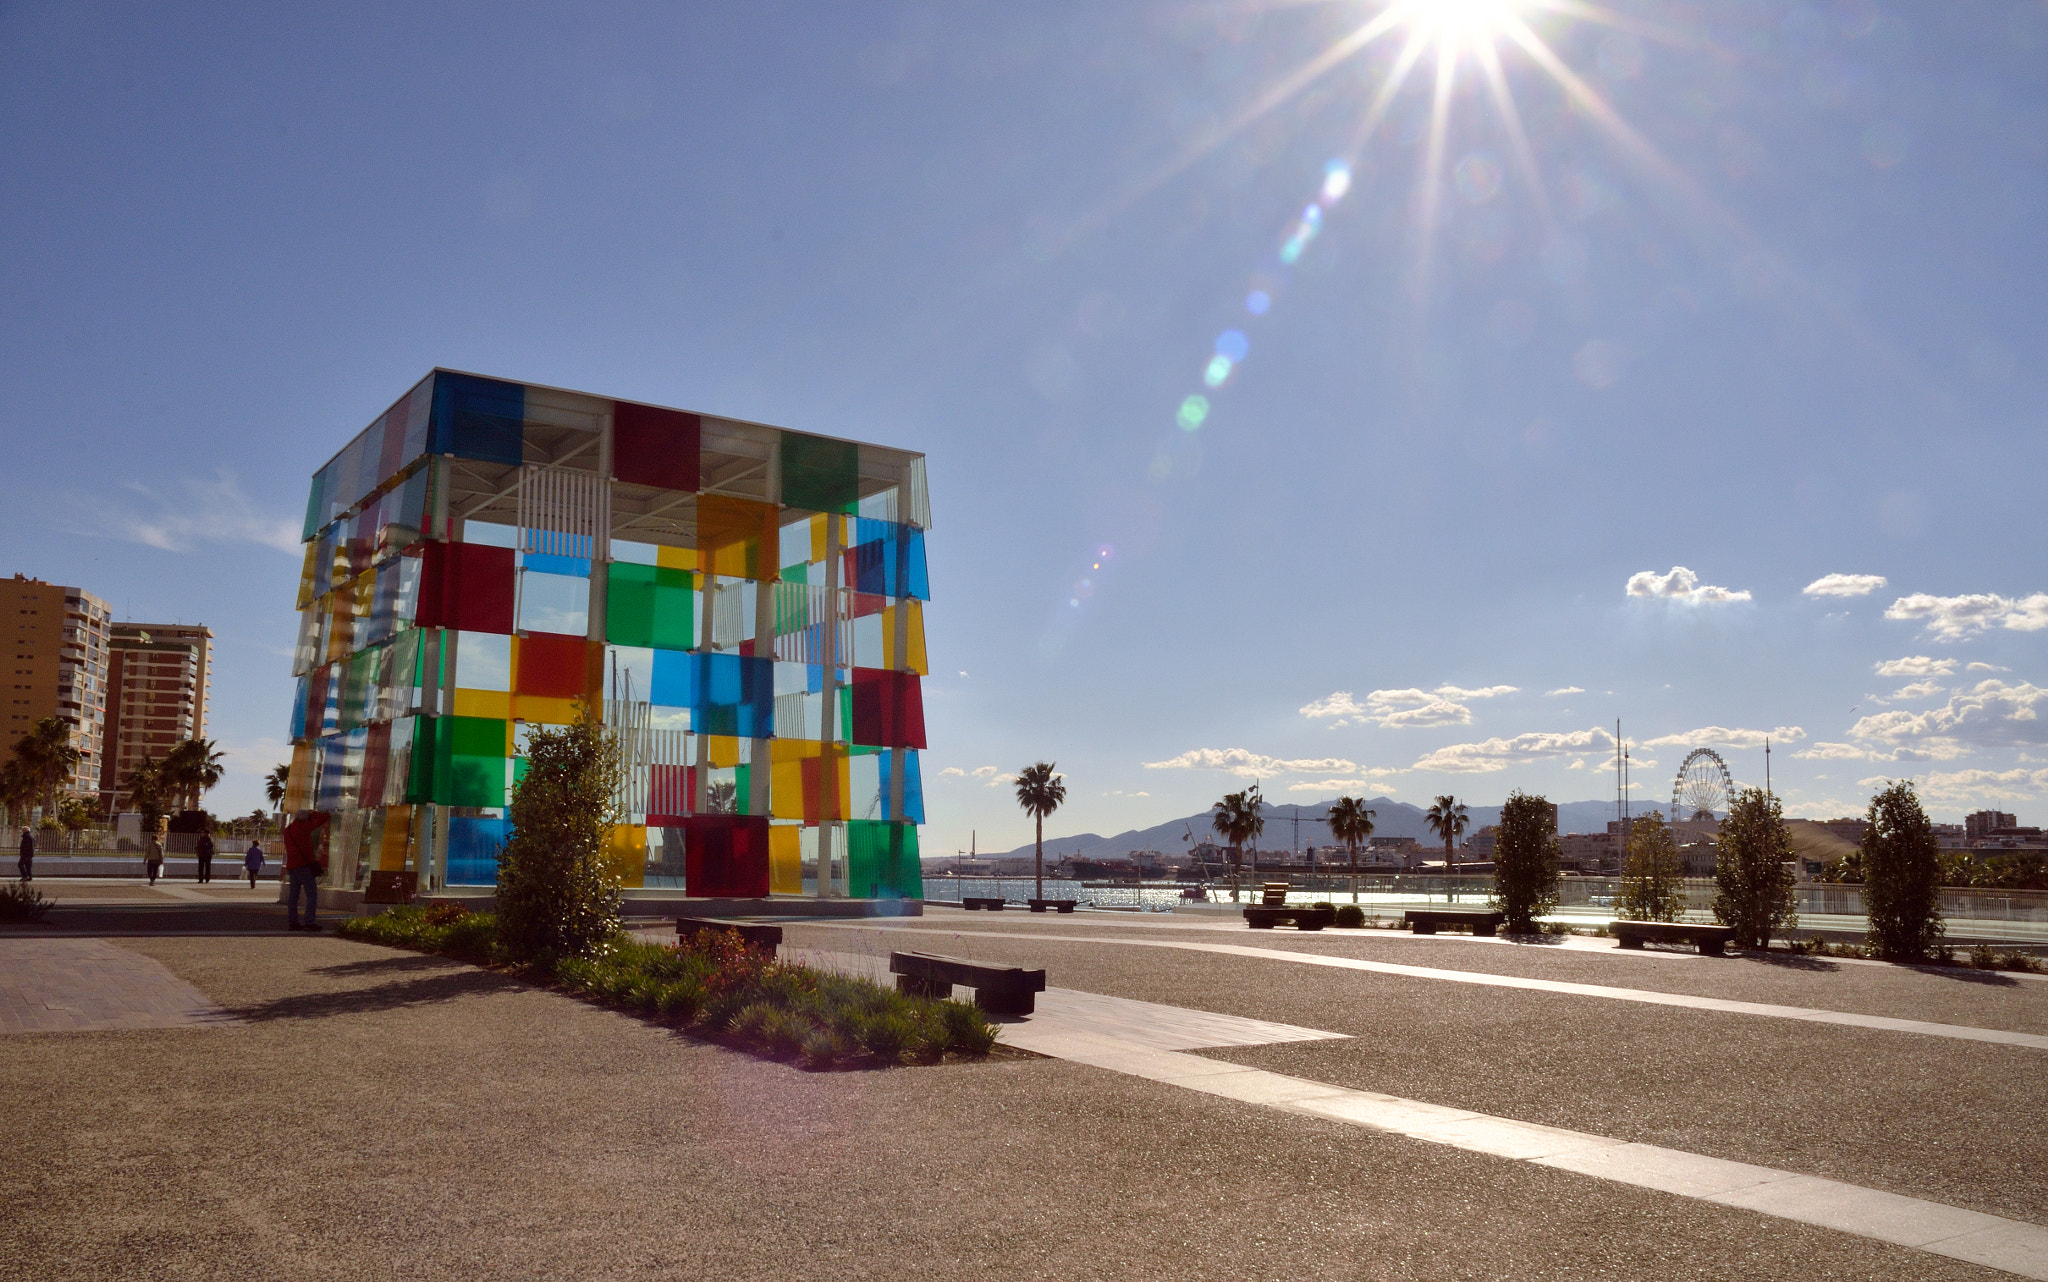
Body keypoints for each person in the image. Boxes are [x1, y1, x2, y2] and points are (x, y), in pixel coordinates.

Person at [282, 811, 330, 932]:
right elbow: (324, 817)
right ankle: (309, 922)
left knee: (293, 896)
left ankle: (293, 922)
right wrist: (311, 812)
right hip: (303, 865)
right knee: (311, 894)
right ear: (305, 819)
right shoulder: (303, 827)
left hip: (292, 866)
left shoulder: (288, 830)